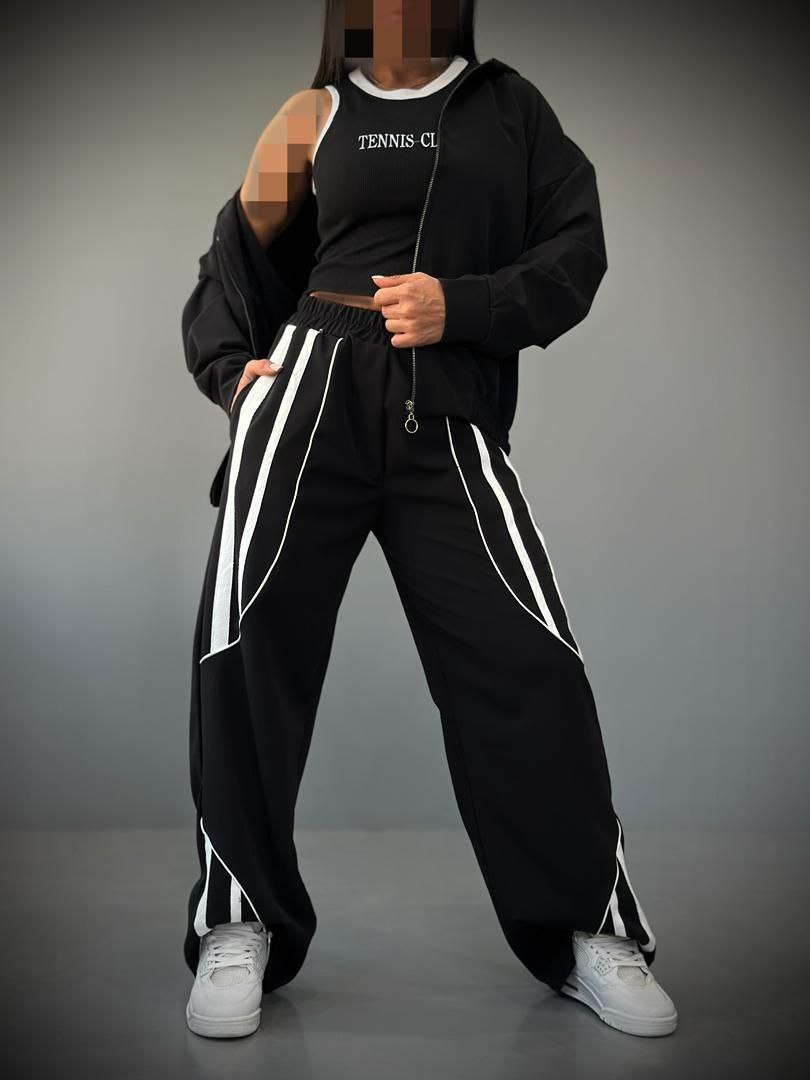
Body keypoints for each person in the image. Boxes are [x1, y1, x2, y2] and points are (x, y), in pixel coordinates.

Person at [180, 0, 678, 1041]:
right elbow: (229, 252)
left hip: (442, 406)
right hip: (309, 396)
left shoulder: (510, 109)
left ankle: (588, 929)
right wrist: (235, 377)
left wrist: (468, 307)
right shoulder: (313, 114)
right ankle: (238, 919)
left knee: (528, 656)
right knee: (245, 644)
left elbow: (576, 250)